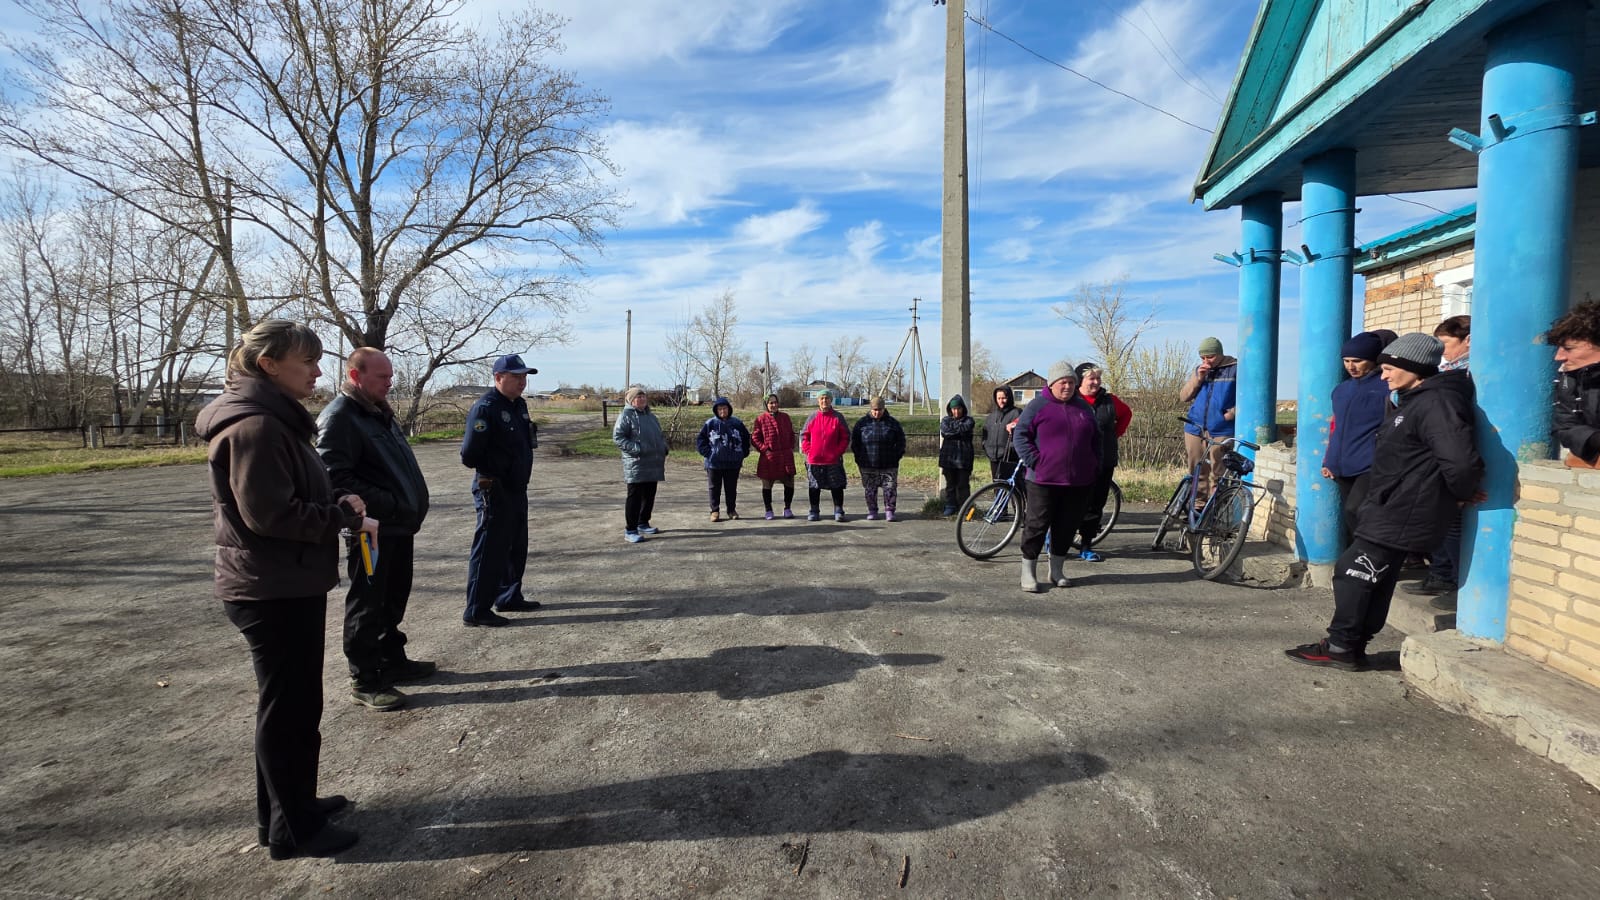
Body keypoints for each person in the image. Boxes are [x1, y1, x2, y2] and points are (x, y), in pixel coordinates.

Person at [194, 319, 375, 860]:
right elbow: (270, 515)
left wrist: (333, 498)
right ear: (269, 365)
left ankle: (289, 810)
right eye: (307, 361)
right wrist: (339, 515)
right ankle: (293, 829)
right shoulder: (256, 428)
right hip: (270, 587)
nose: (318, 370)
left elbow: (289, 494)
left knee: (295, 706)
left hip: (283, 580)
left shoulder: (274, 421)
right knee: (289, 710)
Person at [1286, 333, 1483, 670]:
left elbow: (1459, 460)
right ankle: (1350, 645)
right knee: (1369, 578)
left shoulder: (1436, 403)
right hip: (1392, 504)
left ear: (1415, 368)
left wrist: (1462, 492)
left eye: (1390, 368)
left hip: (1403, 509)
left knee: (1352, 573)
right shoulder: (1414, 399)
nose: (1384, 375)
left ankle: (1340, 646)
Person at [315, 348, 433, 713]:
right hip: (371, 530)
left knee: (393, 596)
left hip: (398, 527)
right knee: (368, 603)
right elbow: (335, 478)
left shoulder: (379, 413)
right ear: (355, 376)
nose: (390, 382)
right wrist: (392, 504)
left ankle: (392, 659)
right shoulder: (340, 417)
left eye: (390, 375)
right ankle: (365, 679)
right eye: (382, 376)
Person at [460, 354, 541, 627]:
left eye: (524, 377)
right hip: (494, 488)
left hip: (518, 487)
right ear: (498, 378)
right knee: (489, 550)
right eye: (516, 377)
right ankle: (476, 609)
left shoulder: (518, 406)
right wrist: (500, 467)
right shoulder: (486, 408)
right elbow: (470, 455)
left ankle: (508, 596)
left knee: (515, 546)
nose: (522, 382)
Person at [1012, 362, 1101, 592]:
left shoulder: (1083, 408)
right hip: (1042, 479)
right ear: (1052, 384)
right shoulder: (1037, 406)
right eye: (1064, 382)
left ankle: (1057, 571)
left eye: (1072, 382)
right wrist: (1035, 461)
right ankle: (1028, 573)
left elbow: (1096, 440)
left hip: (1078, 481)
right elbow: (1021, 436)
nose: (1068, 387)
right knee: (1036, 525)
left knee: (1067, 526)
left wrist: (1093, 465)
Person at [1402, 316, 1473, 600]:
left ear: (1468, 339)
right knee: (1442, 523)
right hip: (1440, 456)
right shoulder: (1447, 370)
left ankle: (1452, 579)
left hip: (1452, 456)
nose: (1441, 351)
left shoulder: (1466, 372)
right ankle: (1442, 573)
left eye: (1445, 343)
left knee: (1452, 525)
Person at [1320, 332, 1388, 538]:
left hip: (1371, 464)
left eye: (1357, 361)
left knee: (1357, 510)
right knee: (1351, 517)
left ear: (1373, 359)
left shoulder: (1387, 388)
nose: (1351, 366)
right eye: (1346, 361)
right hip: (1342, 465)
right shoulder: (1341, 390)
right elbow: (1336, 426)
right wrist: (1328, 460)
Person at [1073, 363, 1132, 562]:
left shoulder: (1110, 401)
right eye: (1092, 378)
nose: (1096, 382)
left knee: (1095, 505)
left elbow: (1126, 414)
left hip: (1103, 460)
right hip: (1075, 461)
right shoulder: (1071, 399)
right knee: (1070, 502)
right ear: (1080, 380)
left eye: (1098, 378)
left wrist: (1115, 434)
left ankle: (1086, 545)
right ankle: (1056, 540)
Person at [1178, 337, 1238, 500]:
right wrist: (1198, 379)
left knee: (1218, 472)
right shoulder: (1200, 370)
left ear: (1220, 354)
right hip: (1195, 427)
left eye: (1210, 357)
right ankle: (1197, 508)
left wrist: (1231, 413)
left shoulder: (1235, 369)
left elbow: (1247, 398)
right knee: (1197, 470)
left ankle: (1214, 509)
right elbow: (1184, 396)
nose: (1206, 361)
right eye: (1202, 357)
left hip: (1222, 428)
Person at [1546, 300, 1600, 467]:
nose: (1559, 357)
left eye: (1569, 349)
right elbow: (1564, 426)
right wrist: (1593, 441)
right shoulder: (1569, 379)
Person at [612, 386, 669, 543]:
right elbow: (618, 438)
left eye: (644, 397)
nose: (642, 399)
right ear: (631, 400)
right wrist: (637, 449)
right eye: (639, 397)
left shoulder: (651, 416)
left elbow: (660, 435)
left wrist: (664, 447)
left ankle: (643, 522)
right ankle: (630, 530)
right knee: (635, 496)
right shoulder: (626, 416)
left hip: (653, 462)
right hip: (636, 463)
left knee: (649, 494)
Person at [851, 396, 907, 521]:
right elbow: (855, 443)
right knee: (870, 489)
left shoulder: (893, 423)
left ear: (884, 409)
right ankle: (872, 510)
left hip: (889, 464)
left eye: (879, 410)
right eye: (874, 410)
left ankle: (890, 511)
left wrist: (896, 456)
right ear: (871, 409)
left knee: (890, 488)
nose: (877, 412)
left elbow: (901, 442)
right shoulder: (861, 424)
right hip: (867, 463)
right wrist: (859, 458)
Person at [695, 397, 751, 521]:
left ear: (729, 409)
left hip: (733, 463)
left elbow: (746, 438)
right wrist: (709, 454)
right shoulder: (710, 423)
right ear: (716, 410)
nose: (722, 411)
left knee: (731, 488)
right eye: (719, 409)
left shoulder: (737, 423)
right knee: (714, 488)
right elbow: (700, 441)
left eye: (724, 408)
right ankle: (714, 511)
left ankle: (731, 510)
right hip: (714, 463)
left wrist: (743, 453)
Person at [799, 389, 851, 521]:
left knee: (836, 486)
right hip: (814, 460)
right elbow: (804, 435)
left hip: (833, 460)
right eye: (822, 398)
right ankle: (814, 510)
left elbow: (845, 437)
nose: (824, 401)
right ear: (818, 401)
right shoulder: (812, 417)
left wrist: (838, 451)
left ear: (831, 400)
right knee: (814, 487)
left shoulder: (838, 417)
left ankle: (838, 509)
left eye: (827, 398)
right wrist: (808, 450)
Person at [751, 394, 797, 520]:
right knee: (767, 484)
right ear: (767, 405)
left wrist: (790, 447)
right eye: (771, 403)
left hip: (785, 456)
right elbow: (755, 438)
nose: (774, 405)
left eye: (775, 402)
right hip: (769, 458)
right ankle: (768, 510)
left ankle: (787, 508)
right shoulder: (760, 419)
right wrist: (765, 450)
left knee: (789, 483)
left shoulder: (785, 417)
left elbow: (792, 434)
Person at [939, 395, 975, 516]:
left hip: (964, 458)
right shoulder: (945, 420)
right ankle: (950, 505)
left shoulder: (969, 420)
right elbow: (945, 432)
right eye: (954, 409)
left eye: (959, 408)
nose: (956, 411)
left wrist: (954, 431)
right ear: (950, 409)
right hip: (948, 458)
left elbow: (965, 428)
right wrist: (958, 431)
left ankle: (965, 507)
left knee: (963, 485)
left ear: (963, 408)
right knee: (950, 484)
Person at [982, 386, 1022, 481]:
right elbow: (984, 433)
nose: (1001, 401)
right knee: (996, 485)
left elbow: (1021, 433)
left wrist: (1011, 449)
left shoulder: (1017, 413)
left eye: (1004, 398)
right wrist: (985, 446)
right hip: (993, 458)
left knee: (1009, 486)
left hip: (1009, 458)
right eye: (999, 398)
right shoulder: (991, 416)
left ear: (1009, 398)